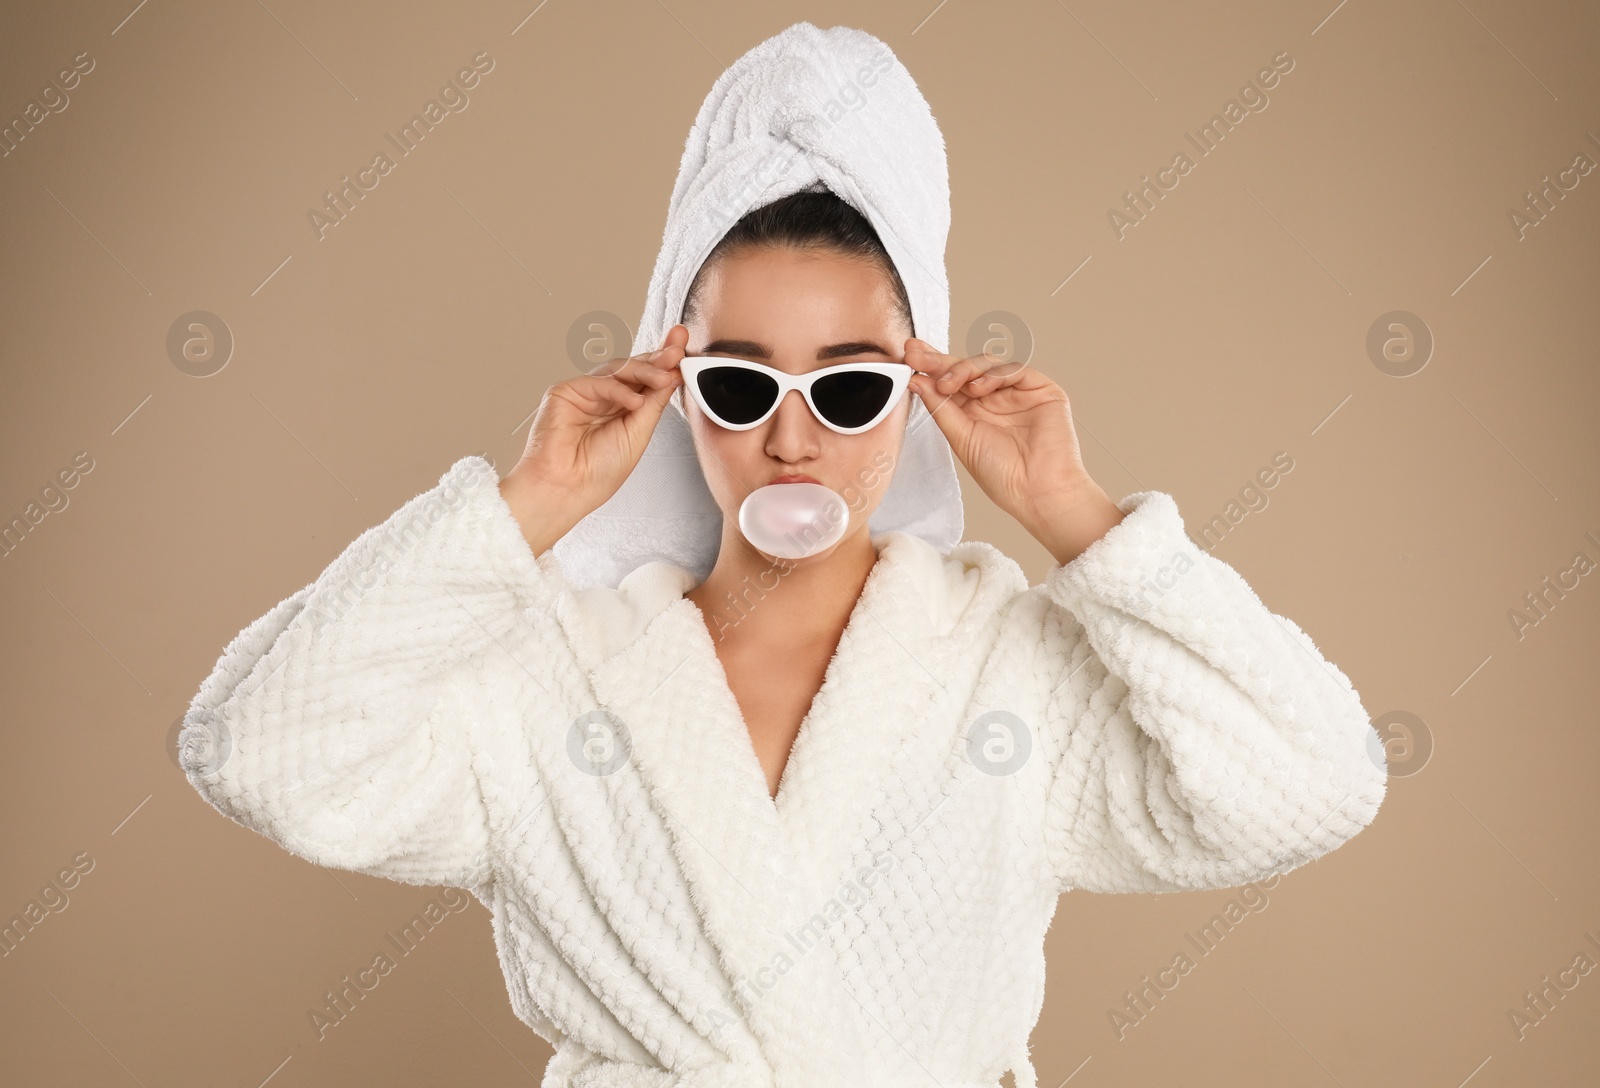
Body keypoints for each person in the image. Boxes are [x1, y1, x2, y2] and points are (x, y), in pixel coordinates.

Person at [178, 23, 1388, 1088]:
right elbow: (260, 750)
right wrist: (523, 505)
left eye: (852, 383)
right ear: (678, 390)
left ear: (917, 394)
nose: (793, 432)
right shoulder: (549, 671)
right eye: (741, 379)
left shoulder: (1004, 671)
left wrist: (1072, 509)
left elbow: (1311, 780)